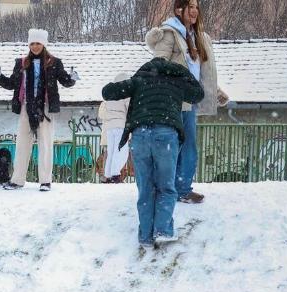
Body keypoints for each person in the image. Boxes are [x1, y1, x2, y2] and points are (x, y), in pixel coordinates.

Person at [102, 57, 204, 249]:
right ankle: (162, 230)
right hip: (166, 135)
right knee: (166, 187)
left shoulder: (140, 80)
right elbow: (198, 94)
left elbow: (107, 92)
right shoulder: (177, 81)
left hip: (140, 136)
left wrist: (132, 81)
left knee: (146, 188)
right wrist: (185, 73)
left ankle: (145, 236)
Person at [146, 0, 229, 203]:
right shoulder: (169, 34)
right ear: (178, 10)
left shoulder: (198, 38)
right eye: (190, 6)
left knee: (189, 146)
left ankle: (182, 188)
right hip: (172, 102)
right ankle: (165, 189)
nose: (194, 11)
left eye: (196, 7)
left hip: (189, 102)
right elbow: (158, 66)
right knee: (170, 146)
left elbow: (199, 74)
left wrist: (215, 91)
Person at [0, 28, 78, 191]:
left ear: (44, 44)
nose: (35, 46)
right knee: (22, 143)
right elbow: (12, 84)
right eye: (32, 43)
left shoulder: (54, 62)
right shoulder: (21, 62)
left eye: (38, 43)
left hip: (45, 107)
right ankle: (17, 180)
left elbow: (65, 81)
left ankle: (45, 181)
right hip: (26, 106)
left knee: (46, 144)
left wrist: (73, 78)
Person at [97, 73, 131, 183]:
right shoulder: (125, 95)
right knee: (121, 151)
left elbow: (102, 114)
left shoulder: (109, 97)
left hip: (109, 129)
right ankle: (116, 174)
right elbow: (130, 110)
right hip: (121, 126)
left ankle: (108, 174)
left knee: (111, 152)